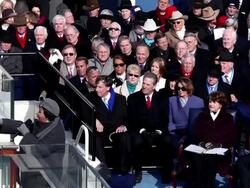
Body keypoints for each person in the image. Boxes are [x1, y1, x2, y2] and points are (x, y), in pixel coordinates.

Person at [127, 72, 172, 183]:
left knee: (167, 140)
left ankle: (166, 172)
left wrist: (159, 130)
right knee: (137, 141)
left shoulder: (162, 98)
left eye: (148, 85)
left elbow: (165, 118)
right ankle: (138, 170)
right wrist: (142, 130)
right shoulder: (133, 98)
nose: (144, 86)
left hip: (158, 130)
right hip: (140, 130)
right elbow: (131, 119)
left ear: (154, 86)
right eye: (144, 83)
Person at [83, 75, 131, 173]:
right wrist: (94, 120)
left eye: (100, 87)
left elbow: (126, 117)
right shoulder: (90, 97)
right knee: (95, 138)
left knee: (125, 137)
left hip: (116, 130)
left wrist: (123, 126)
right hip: (101, 131)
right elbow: (83, 113)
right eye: (96, 86)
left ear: (108, 88)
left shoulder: (120, 99)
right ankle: (103, 170)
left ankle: (123, 170)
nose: (96, 89)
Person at [190, 91, 237, 188]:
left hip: (220, 150)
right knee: (197, 158)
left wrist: (218, 145)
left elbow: (232, 137)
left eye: (214, 102)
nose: (210, 104)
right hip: (203, 149)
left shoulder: (228, 118)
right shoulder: (202, 116)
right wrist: (202, 143)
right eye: (210, 101)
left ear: (221, 104)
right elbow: (196, 133)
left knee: (211, 159)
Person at [168, 77, 204, 150]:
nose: (180, 90)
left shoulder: (199, 101)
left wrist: (187, 136)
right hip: (176, 132)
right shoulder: (172, 100)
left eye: (183, 88)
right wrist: (174, 133)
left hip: (191, 133)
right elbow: (170, 121)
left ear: (188, 88)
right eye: (178, 88)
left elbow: (200, 123)